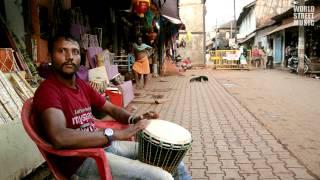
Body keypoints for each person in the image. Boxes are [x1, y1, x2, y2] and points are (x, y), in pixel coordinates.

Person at [33, 33, 191, 180]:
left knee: (170, 158)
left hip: (101, 145)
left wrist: (135, 119)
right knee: (162, 177)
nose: (69, 57)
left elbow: (112, 109)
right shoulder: (48, 91)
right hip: (80, 160)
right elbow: (60, 138)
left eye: (74, 52)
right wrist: (114, 134)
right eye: (62, 51)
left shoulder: (81, 85)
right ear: (50, 56)